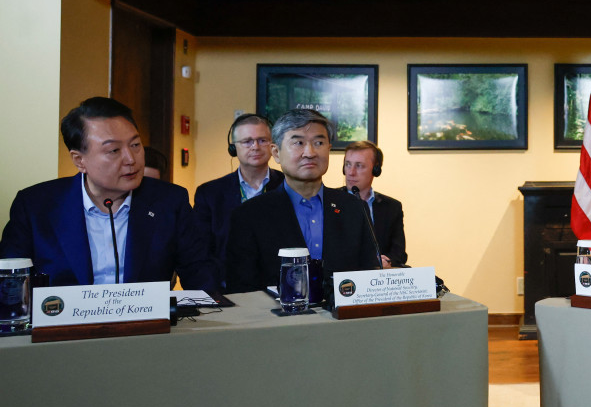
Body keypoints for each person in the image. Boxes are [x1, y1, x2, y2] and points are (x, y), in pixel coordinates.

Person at [0, 97, 215, 290]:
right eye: (113, 150)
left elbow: (201, 278)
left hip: (146, 330)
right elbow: (11, 287)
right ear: (79, 160)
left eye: (136, 145)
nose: (131, 159)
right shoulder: (36, 206)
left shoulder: (169, 201)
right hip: (64, 331)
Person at [224, 109, 378, 293]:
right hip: (275, 318)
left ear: (329, 149)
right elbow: (241, 287)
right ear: (276, 152)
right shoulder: (250, 214)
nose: (310, 152)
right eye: (298, 143)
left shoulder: (353, 207)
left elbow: (370, 274)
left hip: (343, 318)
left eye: (319, 143)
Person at [193, 113, 285, 288]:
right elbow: (200, 253)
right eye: (247, 141)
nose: (255, 147)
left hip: (278, 289)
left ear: (273, 145)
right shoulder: (210, 194)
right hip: (227, 290)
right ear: (233, 148)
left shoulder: (288, 187)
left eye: (262, 140)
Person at [343, 140, 407, 268]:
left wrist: (386, 262)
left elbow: (399, 254)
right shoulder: (329, 201)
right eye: (348, 164)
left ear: (376, 169)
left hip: (376, 281)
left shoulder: (392, 207)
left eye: (359, 165)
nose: (351, 172)